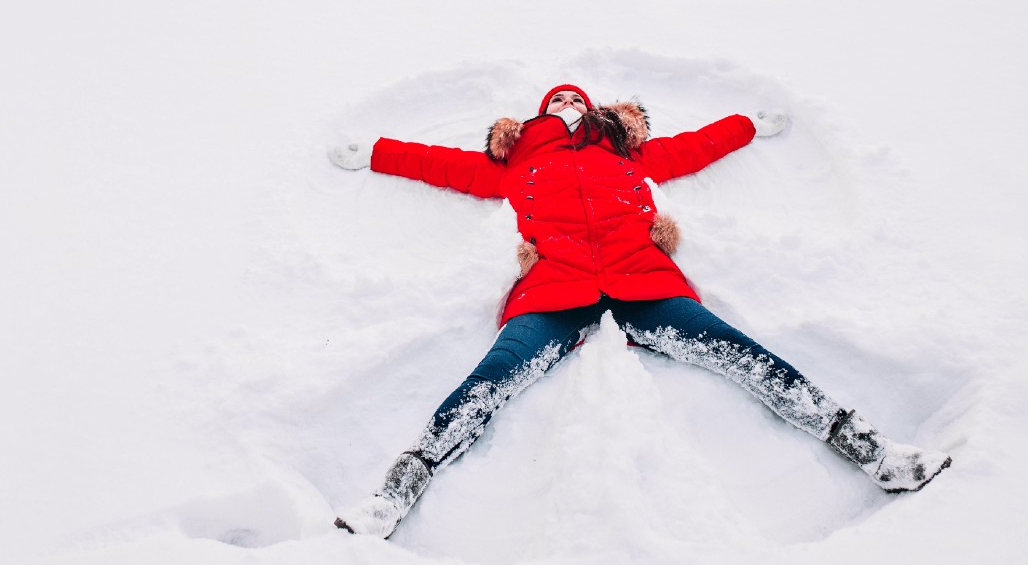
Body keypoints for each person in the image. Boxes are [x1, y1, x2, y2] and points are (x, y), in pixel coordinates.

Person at [326, 84, 951, 538]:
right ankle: (395, 491)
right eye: (556, 102)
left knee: (745, 357)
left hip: (643, 279)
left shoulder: (625, 152)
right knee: (494, 377)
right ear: (539, 114)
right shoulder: (515, 162)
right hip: (555, 288)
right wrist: (374, 150)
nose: (567, 107)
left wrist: (746, 124)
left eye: (576, 101)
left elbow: (695, 148)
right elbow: (437, 165)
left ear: (594, 110)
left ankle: (874, 452)